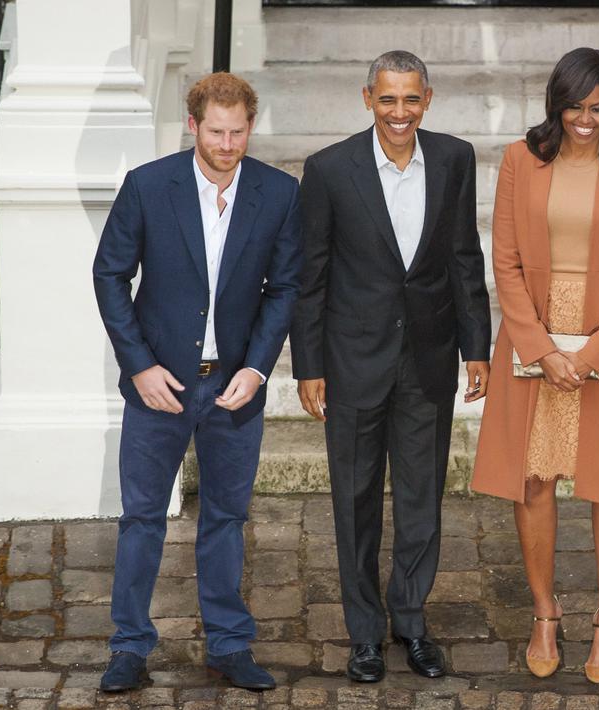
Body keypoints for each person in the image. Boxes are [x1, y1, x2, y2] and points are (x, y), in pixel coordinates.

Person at [92, 72, 302, 692]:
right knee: (142, 518)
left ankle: (229, 644)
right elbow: (109, 275)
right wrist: (139, 365)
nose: (227, 144)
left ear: (250, 127)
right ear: (193, 126)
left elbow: (285, 288)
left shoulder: (279, 192)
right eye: (216, 132)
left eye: (238, 132)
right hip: (158, 384)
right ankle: (129, 646)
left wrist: (257, 368)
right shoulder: (148, 186)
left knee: (227, 517)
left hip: (234, 386)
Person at [288, 50, 492, 683]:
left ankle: (410, 619)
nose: (399, 112)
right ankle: (364, 634)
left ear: (427, 99)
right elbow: (311, 275)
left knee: (421, 497)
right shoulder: (329, 169)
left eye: (410, 99)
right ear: (367, 98)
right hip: (352, 361)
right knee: (354, 502)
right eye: (387, 99)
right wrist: (308, 364)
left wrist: (476, 346)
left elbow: (464, 257)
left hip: (428, 358)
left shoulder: (455, 159)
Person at [471, 47, 599, 685]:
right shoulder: (519, 161)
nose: (584, 119)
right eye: (574, 106)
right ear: (556, 104)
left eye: (597, 108)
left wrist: (593, 352)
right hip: (535, 335)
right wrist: (541, 349)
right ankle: (545, 613)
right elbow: (505, 262)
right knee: (533, 478)